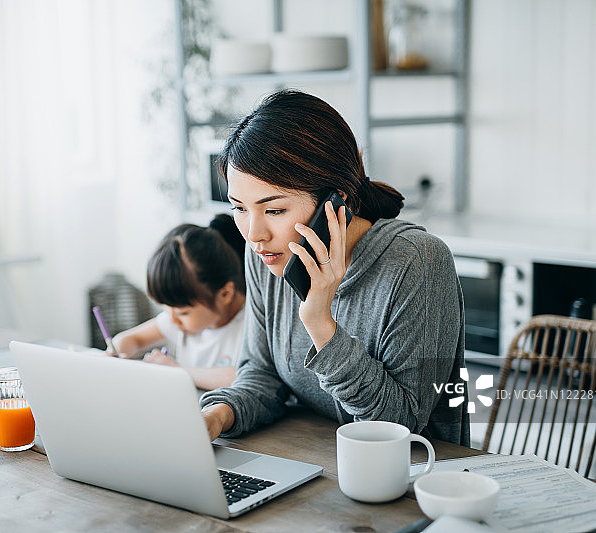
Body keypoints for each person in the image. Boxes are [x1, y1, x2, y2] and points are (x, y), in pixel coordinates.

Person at [200, 89, 470, 446]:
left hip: (416, 479)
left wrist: (320, 324)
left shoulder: (417, 263)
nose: (255, 234)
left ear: (336, 201)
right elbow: (262, 375)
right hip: (318, 464)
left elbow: (401, 424)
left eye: (275, 210)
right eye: (240, 208)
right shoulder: (268, 254)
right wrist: (216, 416)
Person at [112, 214, 246, 390]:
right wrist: (119, 353)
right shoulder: (179, 320)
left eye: (183, 313)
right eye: (168, 310)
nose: (173, 320)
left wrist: (177, 370)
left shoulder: (251, 324)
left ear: (225, 294)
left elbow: (246, 378)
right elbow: (130, 339)